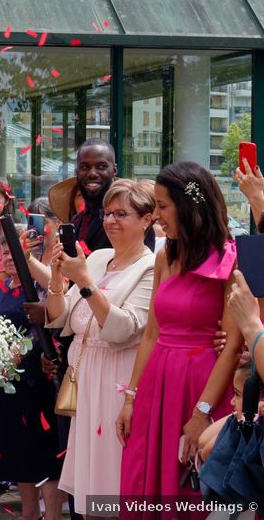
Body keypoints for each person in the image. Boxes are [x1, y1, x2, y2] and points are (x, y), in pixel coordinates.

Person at [117, 162, 243, 500]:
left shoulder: (230, 260)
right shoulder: (165, 255)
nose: (156, 216)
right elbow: (151, 335)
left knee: (189, 486)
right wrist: (130, 398)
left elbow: (232, 346)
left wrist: (201, 413)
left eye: (162, 205)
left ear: (189, 206)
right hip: (157, 382)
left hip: (201, 384)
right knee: (142, 480)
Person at [44, 179, 156, 518]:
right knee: (89, 489)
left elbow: (122, 329)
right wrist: (55, 276)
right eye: (108, 213)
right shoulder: (99, 258)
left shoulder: (150, 267)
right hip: (85, 376)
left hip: (116, 378)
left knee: (113, 480)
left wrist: (84, 283)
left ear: (147, 220)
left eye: (122, 214)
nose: (111, 221)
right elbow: (60, 318)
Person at [0, 232, 62, 520]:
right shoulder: (2, 287)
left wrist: (24, 348)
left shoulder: (40, 288)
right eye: (4, 252)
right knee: (17, 453)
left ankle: (53, 515)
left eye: (13, 253)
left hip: (34, 380)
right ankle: (29, 513)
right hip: (4, 382)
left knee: (43, 454)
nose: (8, 257)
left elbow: (49, 324)